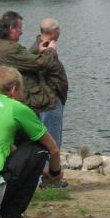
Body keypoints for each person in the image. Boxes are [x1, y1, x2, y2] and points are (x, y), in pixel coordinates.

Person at [0, 66, 63, 218]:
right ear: (13, 90)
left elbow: (6, 145)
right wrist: (55, 173)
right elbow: (53, 149)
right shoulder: (16, 108)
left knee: (17, 139)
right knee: (39, 148)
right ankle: (9, 217)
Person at [0, 11, 60, 114]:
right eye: (19, 28)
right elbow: (41, 63)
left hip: (4, 99)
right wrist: (51, 50)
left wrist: (37, 50)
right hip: (26, 101)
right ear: (11, 29)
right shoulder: (11, 49)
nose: (21, 32)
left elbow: (24, 60)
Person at [29, 19, 69, 180]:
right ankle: (47, 178)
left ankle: (46, 176)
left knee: (50, 139)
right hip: (49, 101)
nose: (59, 32)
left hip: (48, 99)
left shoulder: (42, 46)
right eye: (58, 30)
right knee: (51, 141)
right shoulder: (43, 49)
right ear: (54, 31)